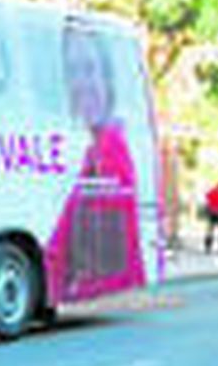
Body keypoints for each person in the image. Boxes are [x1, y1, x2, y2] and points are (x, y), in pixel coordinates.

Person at [46, 24, 144, 301]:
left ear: (107, 78)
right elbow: (58, 251)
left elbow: (103, 260)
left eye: (89, 69)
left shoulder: (111, 150)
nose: (80, 84)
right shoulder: (96, 149)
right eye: (71, 72)